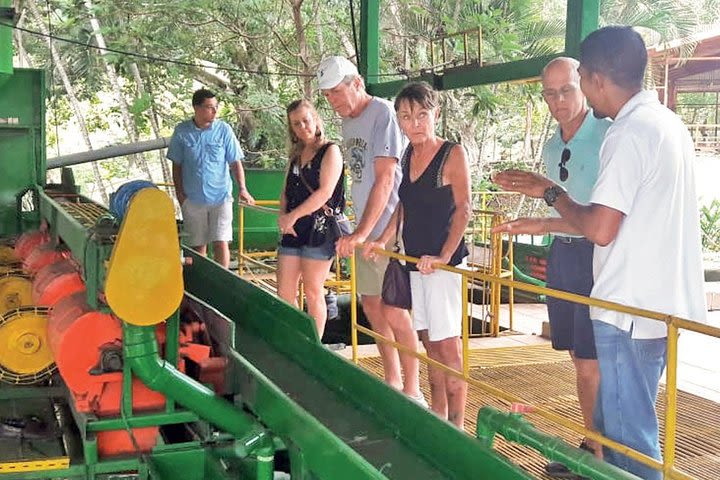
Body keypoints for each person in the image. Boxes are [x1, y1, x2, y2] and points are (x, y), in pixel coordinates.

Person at [493, 26, 707, 480]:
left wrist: (550, 193)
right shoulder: (666, 123)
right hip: (654, 304)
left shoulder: (627, 132)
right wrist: (549, 216)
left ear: (592, 79)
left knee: (630, 446)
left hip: (628, 307)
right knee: (621, 430)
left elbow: (601, 229)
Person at [364, 82, 471, 427]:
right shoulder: (409, 154)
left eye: (422, 115)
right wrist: (383, 239)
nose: (415, 123)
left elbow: (464, 208)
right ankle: (438, 418)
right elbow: (404, 208)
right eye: (407, 117)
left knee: (448, 348)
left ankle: (457, 426)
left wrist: (443, 256)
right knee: (430, 346)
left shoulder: (451, 153)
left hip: (442, 268)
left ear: (435, 114)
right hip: (416, 265)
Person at [317, 56, 423, 403]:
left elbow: (386, 177)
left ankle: (414, 388)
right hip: (364, 228)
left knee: (395, 310)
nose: (332, 101)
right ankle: (391, 380)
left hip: (390, 229)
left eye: (336, 92)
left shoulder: (383, 115)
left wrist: (364, 233)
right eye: (327, 95)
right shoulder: (348, 123)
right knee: (373, 306)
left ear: (357, 83)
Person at [530, 57, 611, 477]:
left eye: (566, 90)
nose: (558, 100)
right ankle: (592, 442)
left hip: (596, 256)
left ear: (584, 87)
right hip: (563, 252)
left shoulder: (607, 134)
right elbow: (564, 206)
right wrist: (543, 227)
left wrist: (541, 219)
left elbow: (597, 217)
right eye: (549, 92)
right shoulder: (551, 145)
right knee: (577, 357)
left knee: (592, 360)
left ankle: (599, 457)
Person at [276, 99, 344, 338]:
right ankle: (297, 337)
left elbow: (325, 191)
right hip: (293, 229)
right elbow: (285, 192)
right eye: (296, 124)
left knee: (314, 291)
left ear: (315, 120)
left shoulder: (330, 151)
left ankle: (314, 344)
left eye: (306, 120)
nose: (303, 126)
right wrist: (284, 217)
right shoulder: (295, 156)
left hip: (319, 228)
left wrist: (293, 215)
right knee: (285, 292)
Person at [167, 88, 255, 268]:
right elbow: (177, 165)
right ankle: (202, 284)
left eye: (216, 107)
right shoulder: (182, 131)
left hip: (221, 197)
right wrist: (180, 195)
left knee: (221, 241)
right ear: (196, 108)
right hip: (192, 199)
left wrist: (243, 189)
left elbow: (235, 162)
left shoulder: (224, 130)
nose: (214, 111)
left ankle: (223, 282)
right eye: (209, 107)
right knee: (198, 246)